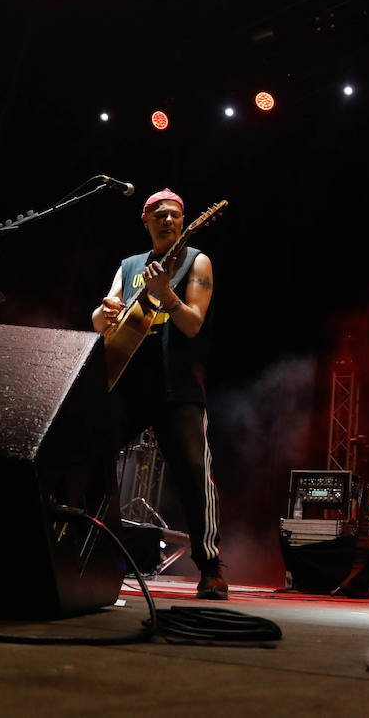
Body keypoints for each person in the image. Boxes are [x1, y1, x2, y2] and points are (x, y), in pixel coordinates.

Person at [91, 188, 226, 600]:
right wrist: (103, 313)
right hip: (128, 385)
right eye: (160, 214)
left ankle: (210, 567)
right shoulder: (129, 265)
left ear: (185, 221)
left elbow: (191, 324)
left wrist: (167, 293)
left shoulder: (196, 261)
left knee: (192, 476)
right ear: (145, 220)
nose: (168, 220)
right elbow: (102, 323)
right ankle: (89, 552)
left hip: (178, 386)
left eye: (175, 215)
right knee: (91, 461)